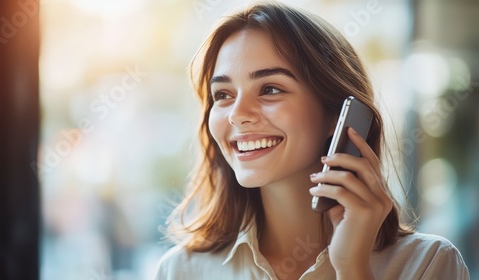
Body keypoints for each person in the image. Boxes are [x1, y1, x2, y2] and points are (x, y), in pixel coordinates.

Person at [155, 2, 470, 279]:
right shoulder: (179, 271)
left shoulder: (427, 265)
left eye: (270, 89)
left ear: (336, 114)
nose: (238, 115)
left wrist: (352, 269)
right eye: (223, 95)